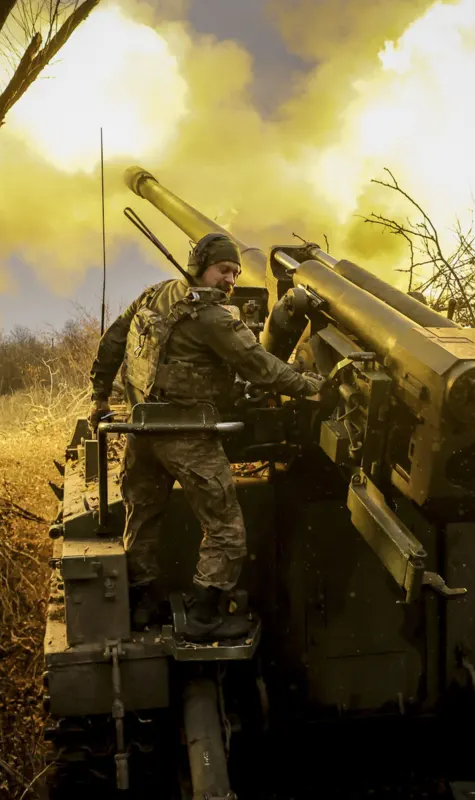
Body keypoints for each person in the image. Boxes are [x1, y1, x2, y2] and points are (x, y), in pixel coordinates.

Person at [88, 233, 322, 642]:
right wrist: (308, 386)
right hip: (188, 436)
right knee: (227, 530)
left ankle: (144, 602)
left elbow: (114, 340)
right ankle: (204, 611)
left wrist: (99, 395)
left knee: (143, 516)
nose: (229, 280)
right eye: (223, 270)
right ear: (199, 266)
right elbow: (259, 366)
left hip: (141, 430)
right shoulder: (213, 318)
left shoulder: (154, 295)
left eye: (234, 272)